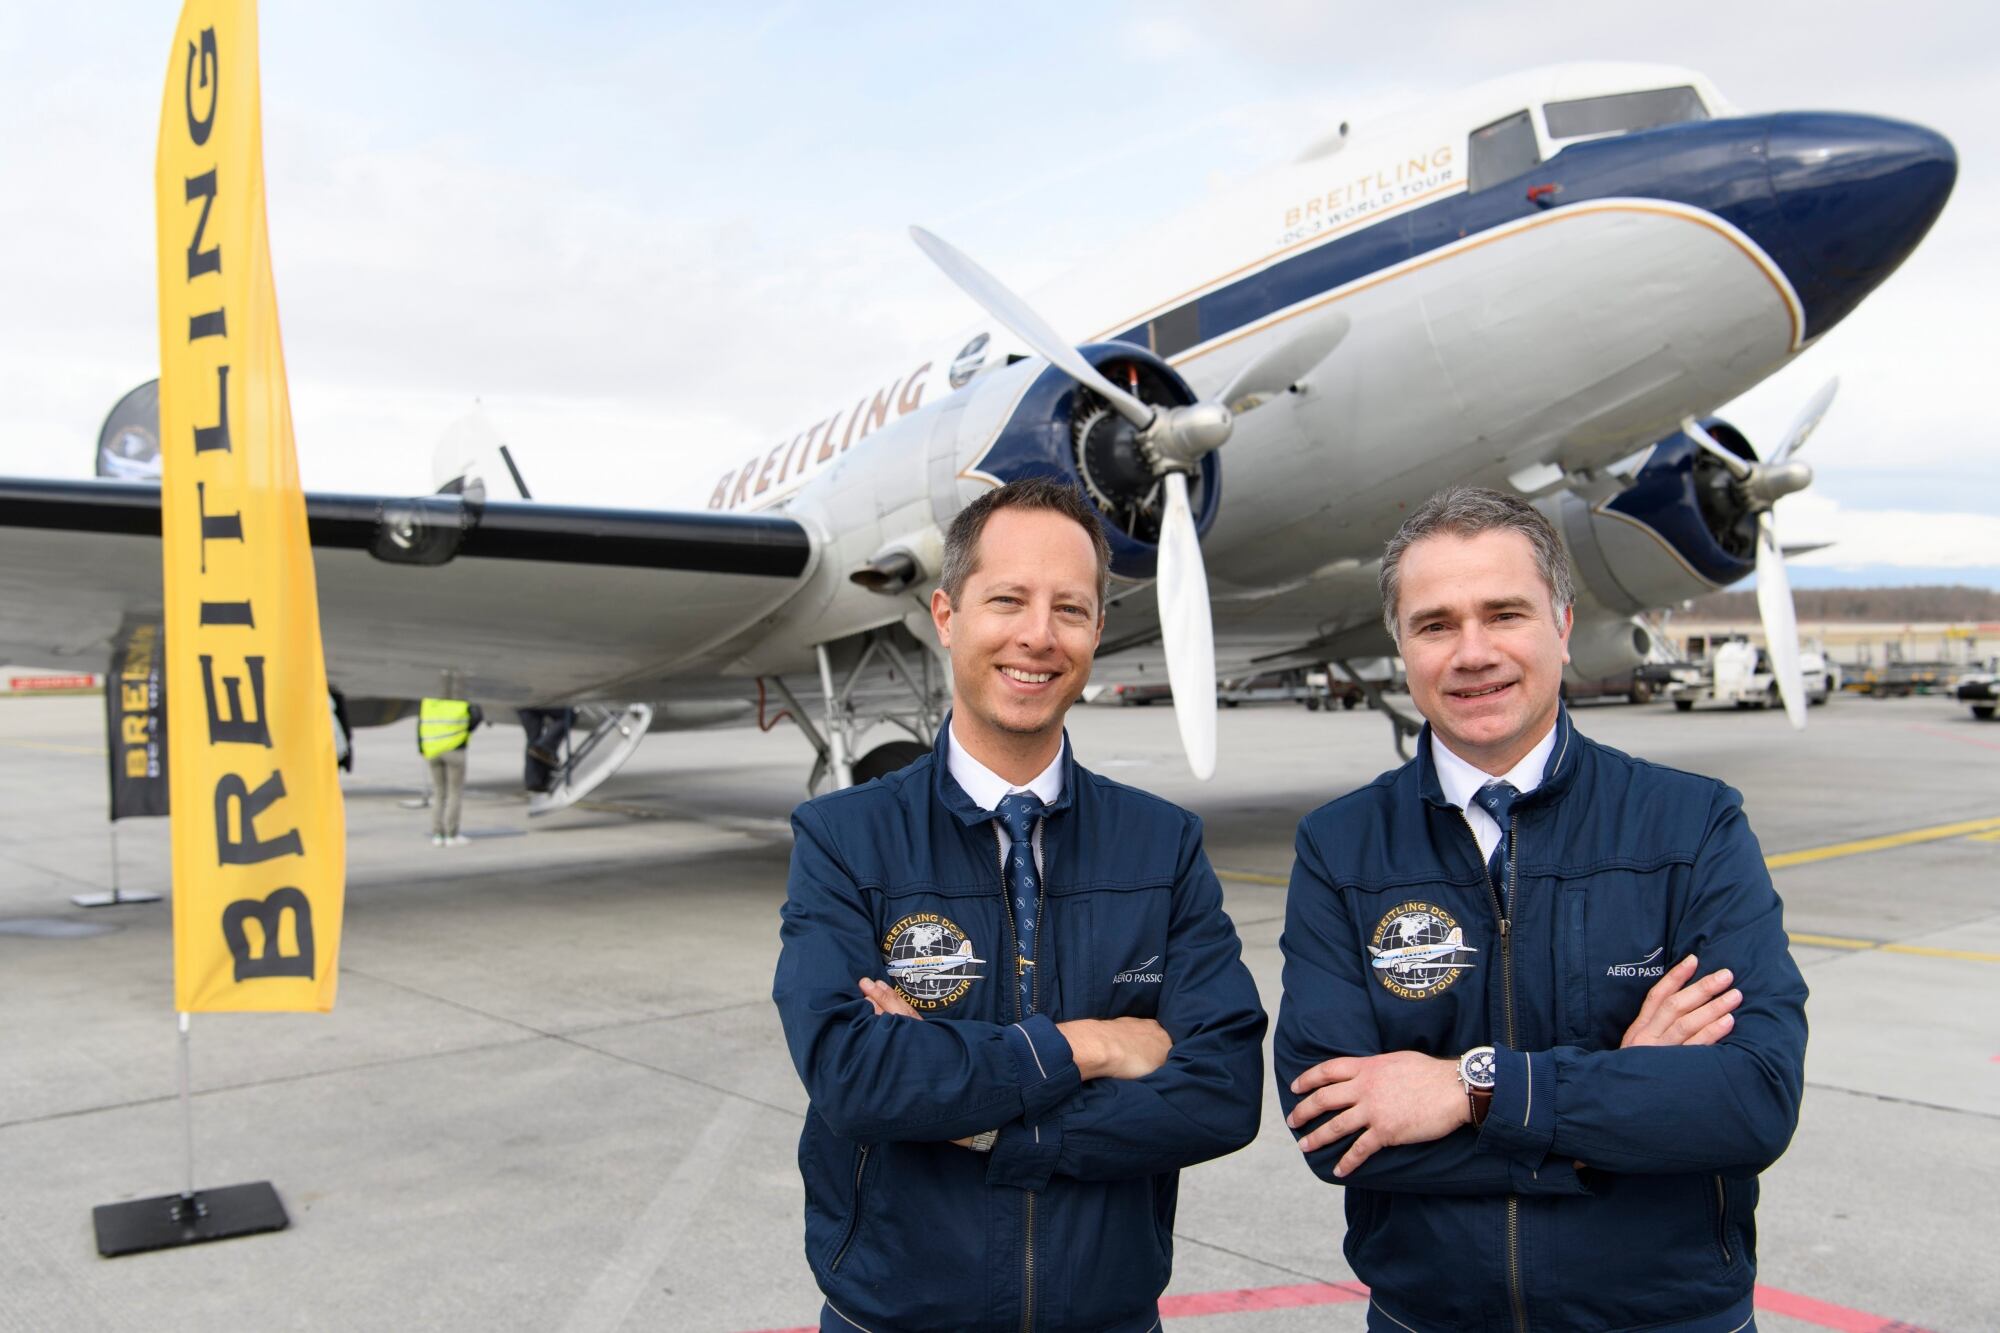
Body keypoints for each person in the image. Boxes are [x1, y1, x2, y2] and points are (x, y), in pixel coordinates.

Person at [1273, 486, 1807, 1333]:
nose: (1472, 651)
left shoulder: (1694, 825)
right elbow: (1336, 1130)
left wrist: (1468, 1087)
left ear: (1560, 626)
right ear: (1402, 646)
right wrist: (1619, 1102)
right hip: (1429, 1319)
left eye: (1504, 614)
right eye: (1436, 623)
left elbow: (1748, 1101)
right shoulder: (1340, 847)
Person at [773, 477, 1266, 1333]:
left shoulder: (1164, 844)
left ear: (1098, 630)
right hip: (893, 1319)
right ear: (946, 614)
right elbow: (857, 1078)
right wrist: (1091, 1045)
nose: (1038, 635)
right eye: (1007, 600)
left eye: (1070, 608)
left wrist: (992, 1126)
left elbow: (1221, 1089)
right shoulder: (842, 837)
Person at [418, 696, 482, 847]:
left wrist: (422, 748)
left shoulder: (428, 700)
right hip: (454, 749)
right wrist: (465, 731)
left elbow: (420, 724)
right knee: (454, 793)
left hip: (432, 750)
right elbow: (477, 715)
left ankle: (437, 834)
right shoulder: (460, 698)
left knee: (439, 794)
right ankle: (451, 834)